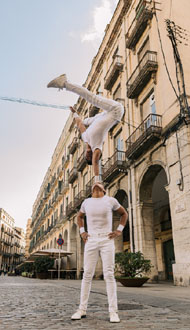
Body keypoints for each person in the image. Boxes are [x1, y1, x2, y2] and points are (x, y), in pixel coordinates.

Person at [47, 74, 124, 182]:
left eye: (86, 157)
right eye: (89, 157)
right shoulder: (96, 147)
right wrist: (97, 180)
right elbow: (96, 162)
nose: (87, 155)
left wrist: (74, 114)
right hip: (115, 111)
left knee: (84, 121)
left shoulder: (85, 138)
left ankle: (65, 84)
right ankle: (65, 83)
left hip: (103, 116)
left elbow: (79, 124)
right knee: (93, 99)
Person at [71, 182, 128, 323]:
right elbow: (79, 217)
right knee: (87, 275)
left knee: (109, 274)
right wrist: (82, 232)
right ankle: (81, 310)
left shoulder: (110, 200)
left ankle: (113, 312)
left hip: (107, 240)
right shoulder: (86, 202)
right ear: (91, 190)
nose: (96, 184)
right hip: (91, 240)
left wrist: (119, 230)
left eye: (99, 183)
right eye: (93, 184)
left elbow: (124, 214)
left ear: (104, 188)